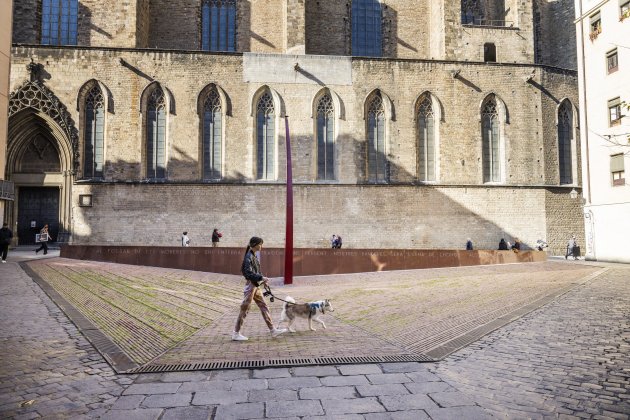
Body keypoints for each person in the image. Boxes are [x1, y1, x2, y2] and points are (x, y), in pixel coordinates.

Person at [232, 237, 287, 341]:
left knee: (264, 307)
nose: (261, 246)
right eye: (260, 244)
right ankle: (236, 333)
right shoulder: (249, 256)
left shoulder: (253, 256)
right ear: (255, 244)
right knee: (245, 309)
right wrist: (261, 278)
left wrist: (262, 280)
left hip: (255, 286)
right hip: (251, 286)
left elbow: (256, 272)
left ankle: (273, 330)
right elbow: (248, 273)